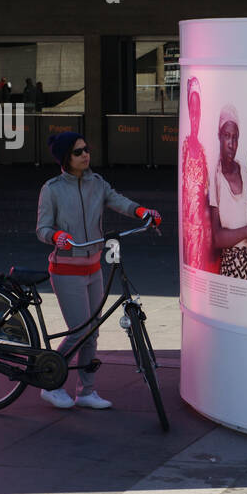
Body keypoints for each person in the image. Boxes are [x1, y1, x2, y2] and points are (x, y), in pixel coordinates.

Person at [35, 131, 161, 409]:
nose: (85, 155)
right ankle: (49, 383)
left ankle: (86, 391)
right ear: (66, 158)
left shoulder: (97, 183)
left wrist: (142, 212)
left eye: (86, 149)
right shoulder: (52, 189)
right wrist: (55, 236)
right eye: (78, 152)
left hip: (93, 269)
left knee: (93, 333)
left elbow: (118, 201)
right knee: (80, 331)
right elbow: (42, 229)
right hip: (66, 271)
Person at [208, 105, 247, 281]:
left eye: (235, 138)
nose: (231, 144)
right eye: (227, 136)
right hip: (232, 265)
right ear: (219, 137)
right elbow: (217, 238)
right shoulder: (216, 179)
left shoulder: (244, 171)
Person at [181, 77, 216, 273]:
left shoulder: (203, 150)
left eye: (198, 110)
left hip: (201, 229)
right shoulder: (185, 147)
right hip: (189, 228)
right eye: (191, 110)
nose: (195, 116)